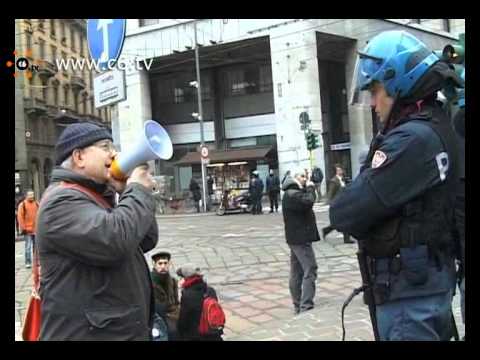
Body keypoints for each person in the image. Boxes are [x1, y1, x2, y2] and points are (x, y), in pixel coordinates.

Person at [329, 31, 463, 340]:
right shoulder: (437, 124)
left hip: (410, 298)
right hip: (424, 285)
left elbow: (346, 212)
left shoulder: (412, 140)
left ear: (397, 83)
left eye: (376, 90)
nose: (373, 103)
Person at [36, 122, 159, 340]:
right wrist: (138, 190)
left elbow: (146, 239)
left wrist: (125, 193)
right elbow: (115, 241)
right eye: (105, 146)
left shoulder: (96, 196)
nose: (113, 153)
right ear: (79, 157)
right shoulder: (61, 202)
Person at [282, 168, 319, 314]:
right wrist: (310, 186)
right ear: (295, 177)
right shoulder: (293, 194)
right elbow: (309, 201)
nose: (305, 179)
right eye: (302, 176)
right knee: (310, 268)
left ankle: (298, 303)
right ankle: (305, 304)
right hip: (300, 238)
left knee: (297, 270)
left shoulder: (291, 192)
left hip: (295, 238)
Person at [176, 265, 223, 341]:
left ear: (186, 278)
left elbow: (183, 320)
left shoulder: (187, 295)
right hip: (213, 333)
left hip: (197, 336)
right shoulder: (211, 290)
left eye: (181, 277)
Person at [151, 251, 180, 340]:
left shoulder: (172, 281)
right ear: (154, 264)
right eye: (160, 263)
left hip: (172, 321)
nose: (163, 266)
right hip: (157, 322)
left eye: (165, 263)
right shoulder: (149, 282)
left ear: (169, 264)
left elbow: (176, 302)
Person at [321, 165, 354, 244]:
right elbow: (330, 193)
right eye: (338, 170)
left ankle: (327, 230)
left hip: (345, 203)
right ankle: (345, 238)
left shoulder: (344, 179)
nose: (340, 171)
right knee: (344, 221)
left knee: (344, 221)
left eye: (341, 170)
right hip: (338, 204)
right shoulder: (334, 181)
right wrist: (330, 203)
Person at [17, 190, 39, 268]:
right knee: (28, 247)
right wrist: (23, 228)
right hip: (27, 230)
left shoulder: (36, 204)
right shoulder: (22, 205)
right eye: (30, 195)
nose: (31, 196)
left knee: (36, 247)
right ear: (26, 196)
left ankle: (36, 262)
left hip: (36, 229)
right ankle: (28, 262)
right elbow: (20, 217)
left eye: (32, 194)